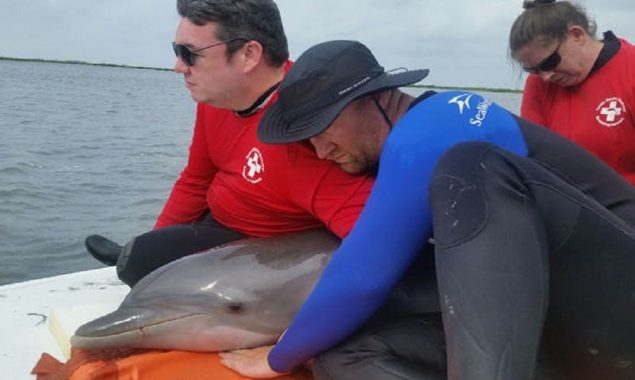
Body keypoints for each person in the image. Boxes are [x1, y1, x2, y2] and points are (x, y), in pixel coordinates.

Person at [219, 40, 635, 380]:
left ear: (379, 98)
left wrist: (278, 358)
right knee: (342, 359)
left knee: (471, 165)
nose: (321, 150)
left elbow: (364, 275)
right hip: (561, 324)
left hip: (619, 299)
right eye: (309, 141)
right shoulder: (418, 137)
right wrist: (308, 342)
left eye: (326, 130)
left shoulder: (433, 129)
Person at [84, 0, 377, 287]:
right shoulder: (218, 98)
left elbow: (373, 238)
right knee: (144, 253)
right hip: (217, 214)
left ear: (248, 54)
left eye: (190, 54)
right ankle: (135, 251)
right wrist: (155, 237)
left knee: (141, 264)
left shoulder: (307, 126)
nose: (178, 67)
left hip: (263, 247)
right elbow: (197, 178)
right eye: (177, 51)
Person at [509, 0, 635, 185]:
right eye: (533, 70)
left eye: (549, 63)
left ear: (577, 35)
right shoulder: (538, 85)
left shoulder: (630, 70)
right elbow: (535, 157)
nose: (545, 76)